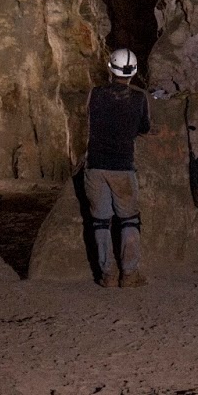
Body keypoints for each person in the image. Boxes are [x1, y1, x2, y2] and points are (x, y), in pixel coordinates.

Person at [85, 47, 151, 288]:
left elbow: (88, 121)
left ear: (110, 68)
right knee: (129, 220)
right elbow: (144, 128)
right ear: (133, 72)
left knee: (100, 222)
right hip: (122, 167)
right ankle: (129, 273)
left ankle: (107, 274)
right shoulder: (139, 98)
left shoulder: (95, 94)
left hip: (95, 166)